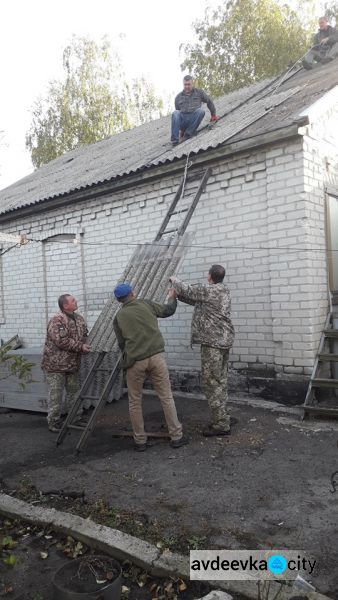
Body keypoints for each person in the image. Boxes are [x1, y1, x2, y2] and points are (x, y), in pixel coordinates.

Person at [113, 283, 188, 452]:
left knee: (134, 401)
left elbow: (121, 343)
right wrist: (172, 296)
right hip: (156, 357)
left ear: (119, 300)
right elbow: (168, 310)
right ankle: (176, 436)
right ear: (133, 292)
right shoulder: (146, 304)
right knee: (166, 397)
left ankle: (140, 441)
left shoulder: (118, 317)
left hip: (135, 361)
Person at [170, 265, 235, 437]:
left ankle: (221, 425)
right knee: (220, 380)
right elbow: (196, 299)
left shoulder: (209, 290)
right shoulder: (222, 290)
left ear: (209, 277)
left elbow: (191, 290)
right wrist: (179, 296)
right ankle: (223, 416)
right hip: (223, 341)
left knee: (211, 382)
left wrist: (174, 280)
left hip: (212, 343)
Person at [41, 294, 90, 432]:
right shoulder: (57, 320)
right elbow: (61, 341)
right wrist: (80, 347)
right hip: (56, 365)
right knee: (55, 394)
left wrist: (84, 346)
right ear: (65, 305)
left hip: (72, 364)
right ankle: (54, 422)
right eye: (73, 300)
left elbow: (84, 336)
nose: (76, 301)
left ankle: (76, 418)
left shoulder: (79, 319)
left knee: (74, 392)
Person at [171, 75, 219, 146]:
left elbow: (209, 101)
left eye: (188, 84)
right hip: (183, 120)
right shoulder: (178, 97)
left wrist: (213, 115)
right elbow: (177, 115)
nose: (187, 86)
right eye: (185, 84)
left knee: (201, 111)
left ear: (192, 84)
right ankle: (175, 140)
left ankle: (188, 133)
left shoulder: (199, 93)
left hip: (193, 119)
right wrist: (181, 130)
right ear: (183, 84)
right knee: (175, 113)